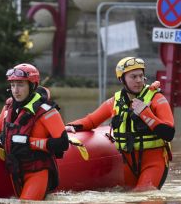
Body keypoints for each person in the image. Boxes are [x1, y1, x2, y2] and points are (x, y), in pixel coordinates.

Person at [66, 57, 174, 191]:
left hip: (154, 161)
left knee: (143, 199)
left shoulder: (157, 98)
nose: (139, 80)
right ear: (122, 79)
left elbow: (169, 133)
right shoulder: (115, 101)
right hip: (128, 163)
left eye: (141, 76)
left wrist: (146, 114)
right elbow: (91, 121)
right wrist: (70, 126)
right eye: (133, 77)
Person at [0, 63, 69, 200]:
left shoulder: (47, 111)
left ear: (32, 86)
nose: (15, 90)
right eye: (12, 85)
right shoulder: (10, 104)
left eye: (20, 85)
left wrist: (29, 142)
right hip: (14, 170)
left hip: (37, 172)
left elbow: (63, 143)